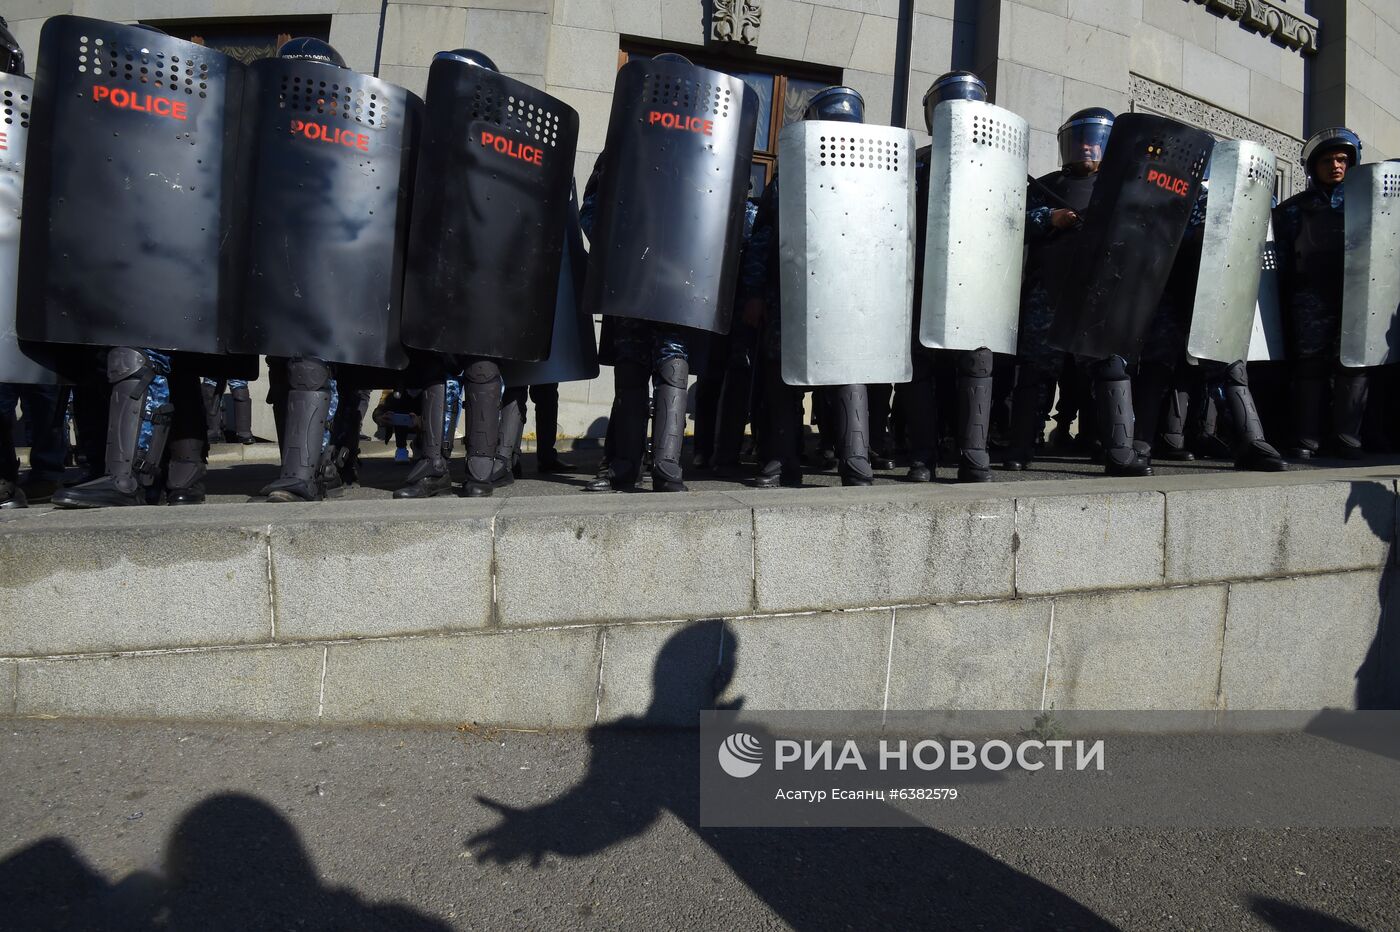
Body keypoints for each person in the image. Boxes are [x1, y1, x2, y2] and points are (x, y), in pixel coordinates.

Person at [582, 53, 755, 493]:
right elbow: (592, 214)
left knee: (672, 372)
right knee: (631, 377)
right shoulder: (621, 146)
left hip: (677, 288)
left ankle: (666, 467)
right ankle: (624, 467)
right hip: (631, 285)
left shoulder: (708, 140)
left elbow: (724, 220)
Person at [743, 85, 877, 489]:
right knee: (786, 378)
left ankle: (855, 460)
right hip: (793, 294)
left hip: (847, 297)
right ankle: (784, 461)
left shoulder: (872, 174)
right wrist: (753, 294)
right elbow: (765, 239)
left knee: (849, 375)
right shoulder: (791, 177)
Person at [1004, 108, 1113, 472]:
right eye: (1079, 140)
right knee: (1035, 374)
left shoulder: (1119, 188)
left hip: (1096, 298)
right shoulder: (1045, 185)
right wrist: (1049, 218)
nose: (1085, 147)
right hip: (1045, 294)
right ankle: (1022, 446)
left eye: (1093, 140)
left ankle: (1108, 444)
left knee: (1102, 374)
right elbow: (1013, 218)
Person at [1273, 126, 1366, 459]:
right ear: (1313, 167)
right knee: (1309, 368)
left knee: (1352, 367)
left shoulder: (1368, 204)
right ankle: (1307, 439)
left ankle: (1347, 438)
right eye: (1328, 160)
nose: (1336, 166)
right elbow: (1278, 259)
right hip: (1309, 299)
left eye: (1342, 159)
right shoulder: (1292, 209)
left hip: (1355, 297)